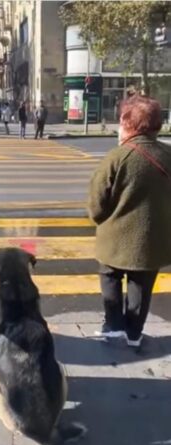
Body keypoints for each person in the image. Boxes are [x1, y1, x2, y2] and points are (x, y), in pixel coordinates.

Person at [89, 95, 171, 348]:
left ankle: (113, 328)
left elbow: (96, 207)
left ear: (127, 123)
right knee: (142, 286)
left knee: (110, 279)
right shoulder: (169, 154)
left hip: (114, 241)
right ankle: (134, 333)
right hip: (154, 241)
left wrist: (103, 218)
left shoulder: (117, 157)